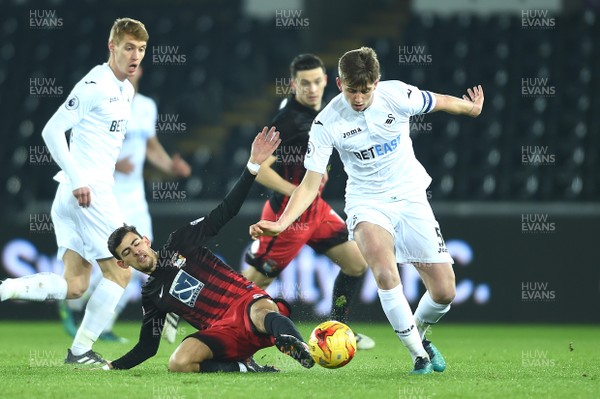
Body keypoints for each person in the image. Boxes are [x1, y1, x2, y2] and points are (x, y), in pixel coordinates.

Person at [250, 47, 484, 374]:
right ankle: (419, 357)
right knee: (386, 273)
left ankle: (420, 335)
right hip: (366, 201)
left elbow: (441, 100)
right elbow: (308, 184)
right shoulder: (326, 122)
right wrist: (283, 222)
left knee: (444, 291)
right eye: (351, 90)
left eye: (365, 90)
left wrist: (470, 109)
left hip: (410, 195)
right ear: (338, 83)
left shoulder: (398, 95)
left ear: (377, 82)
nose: (358, 98)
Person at [103, 127, 315, 373]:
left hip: (243, 301)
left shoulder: (180, 241)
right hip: (219, 332)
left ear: (147, 240)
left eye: (136, 243)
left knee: (262, 311)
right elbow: (148, 347)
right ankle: (246, 368)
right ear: (123, 264)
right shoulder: (152, 296)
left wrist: (253, 166)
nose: (136, 251)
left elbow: (225, 211)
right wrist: (111, 366)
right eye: (127, 253)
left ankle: (297, 345)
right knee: (179, 363)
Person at [0, 18, 149, 365]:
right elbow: (52, 131)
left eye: (141, 49)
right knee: (122, 271)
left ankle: (5, 289)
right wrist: (79, 176)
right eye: (129, 47)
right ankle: (80, 352)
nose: (135, 56)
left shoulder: (126, 90)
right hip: (87, 191)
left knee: (76, 285)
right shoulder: (95, 84)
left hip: (72, 194)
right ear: (111, 47)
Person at [242, 53, 374, 349]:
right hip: (289, 216)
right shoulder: (288, 120)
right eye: (305, 83)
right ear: (293, 84)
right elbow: (258, 168)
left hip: (317, 211)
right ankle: (202, 311)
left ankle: (337, 329)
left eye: (317, 81)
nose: (312, 88)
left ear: (327, 81)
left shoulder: (326, 112)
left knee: (356, 263)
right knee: (251, 285)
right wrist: (296, 194)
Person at [58, 64, 191, 344]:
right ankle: (72, 302)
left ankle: (102, 322)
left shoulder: (145, 106)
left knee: (144, 258)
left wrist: (169, 165)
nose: (131, 69)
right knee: (120, 264)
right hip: (107, 193)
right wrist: (116, 162)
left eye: (137, 63)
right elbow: (79, 141)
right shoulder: (101, 101)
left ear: (141, 72)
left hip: (135, 197)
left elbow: (150, 145)